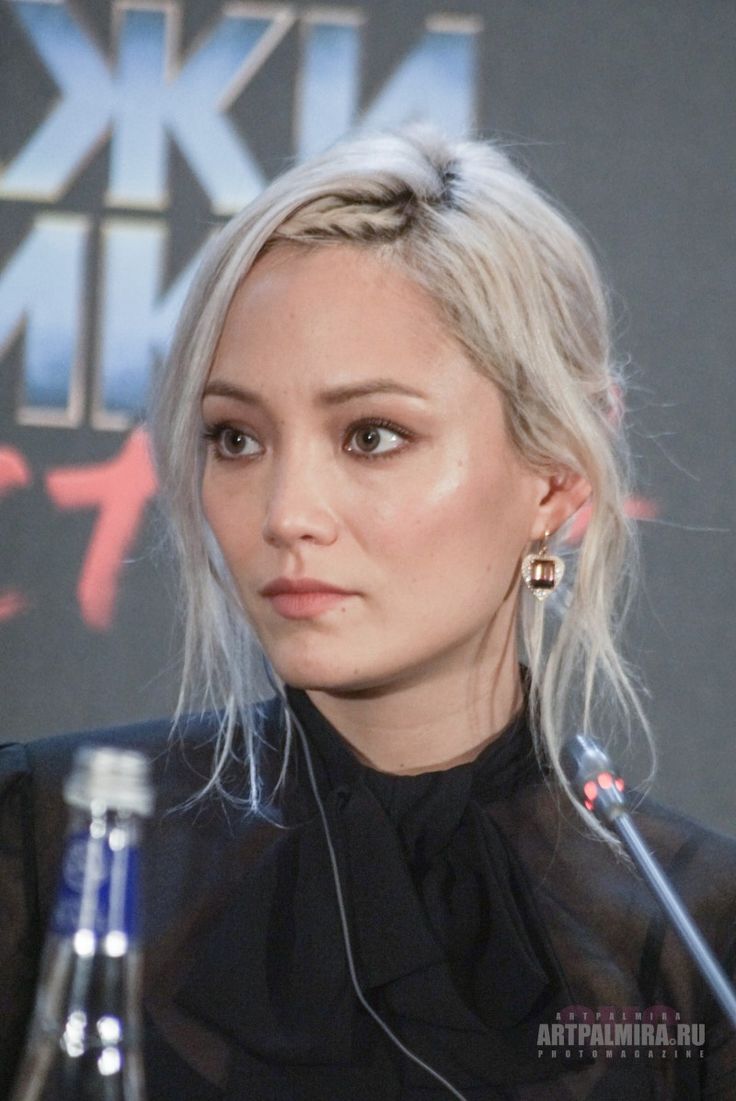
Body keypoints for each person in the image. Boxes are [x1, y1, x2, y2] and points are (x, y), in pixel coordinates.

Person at [1, 126, 735, 1100]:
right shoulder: (52, 844)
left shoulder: (694, 940)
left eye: (372, 435)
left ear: (556, 481)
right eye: (235, 438)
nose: (286, 514)